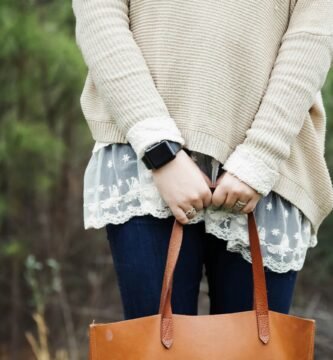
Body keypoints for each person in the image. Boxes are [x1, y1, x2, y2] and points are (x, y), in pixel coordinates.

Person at [72, 0, 333, 318]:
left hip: (272, 163)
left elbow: (313, 35)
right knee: (156, 351)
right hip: (143, 156)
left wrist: (260, 156)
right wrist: (158, 148)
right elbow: (99, 15)